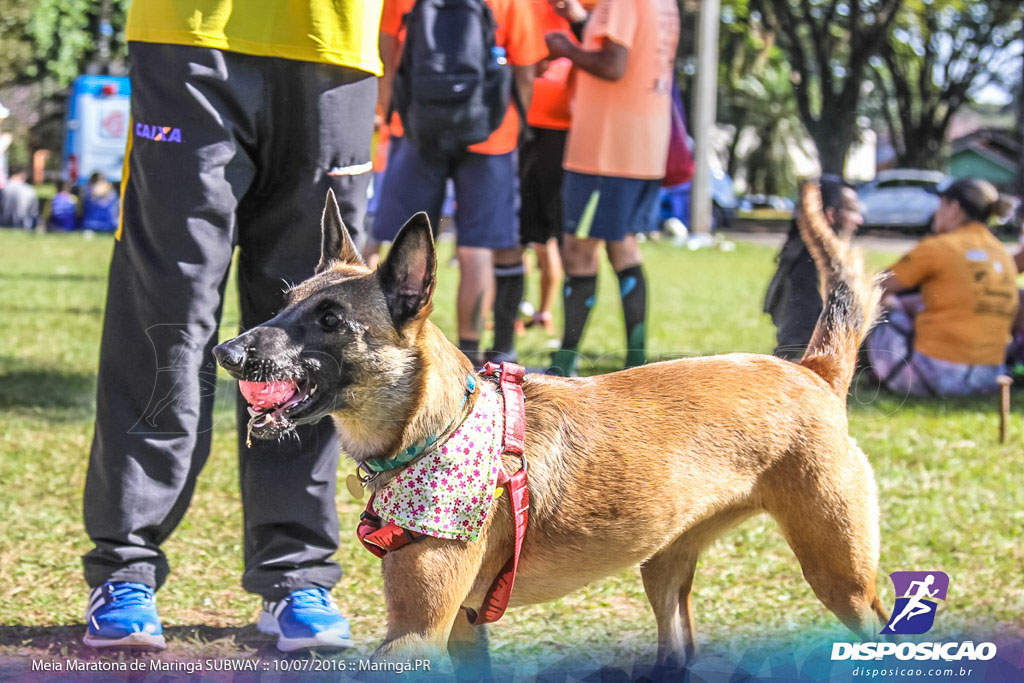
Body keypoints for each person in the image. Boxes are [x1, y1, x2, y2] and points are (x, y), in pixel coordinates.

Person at [81, 0, 382, 652]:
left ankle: (295, 573)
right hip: (188, 34)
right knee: (168, 309)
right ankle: (125, 568)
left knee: (312, 332)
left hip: (332, 43)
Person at [372, 0, 546, 366]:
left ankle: (392, 343)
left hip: (418, 129)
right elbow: (526, 71)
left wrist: (394, 115)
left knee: (406, 244)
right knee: (477, 249)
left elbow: (387, 58)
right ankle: (469, 351)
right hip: (490, 133)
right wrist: (513, 121)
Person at [544, 0, 680, 377]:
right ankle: (636, 360)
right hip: (643, 143)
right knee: (622, 244)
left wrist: (566, 49)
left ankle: (565, 361)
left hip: (606, 150)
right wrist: (581, 22)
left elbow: (613, 65)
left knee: (579, 248)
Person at [866, 177, 1018, 397]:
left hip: (940, 378)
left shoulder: (938, 248)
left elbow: (873, 286)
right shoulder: (1002, 253)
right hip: (989, 378)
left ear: (954, 208)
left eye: (939, 205)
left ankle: (867, 371)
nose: (936, 213)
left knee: (877, 304)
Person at [764, 177, 863, 360]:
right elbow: (795, 338)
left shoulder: (806, 254)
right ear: (830, 215)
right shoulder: (812, 264)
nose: (860, 220)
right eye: (851, 211)